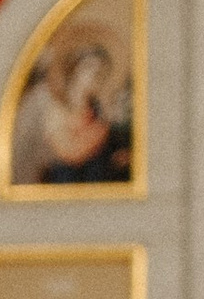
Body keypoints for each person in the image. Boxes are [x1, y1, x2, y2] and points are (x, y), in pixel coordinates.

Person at [8, 25, 133, 184]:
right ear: (75, 67)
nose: (95, 75)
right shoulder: (47, 100)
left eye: (101, 70)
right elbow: (54, 149)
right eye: (90, 68)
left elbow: (110, 147)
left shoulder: (98, 108)